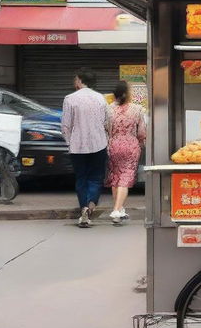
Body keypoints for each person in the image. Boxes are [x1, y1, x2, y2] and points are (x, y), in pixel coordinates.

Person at [61, 68, 109, 228]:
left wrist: (70, 142)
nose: (74, 82)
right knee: (95, 177)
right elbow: (107, 122)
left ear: (80, 80)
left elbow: (65, 126)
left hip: (77, 146)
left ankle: (83, 208)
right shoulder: (100, 99)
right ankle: (90, 206)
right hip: (99, 144)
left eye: (75, 79)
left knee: (81, 178)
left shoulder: (70, 99)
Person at [105, 80, 146, 225]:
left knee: (115, 177)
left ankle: (119, 209)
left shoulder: (108, 109)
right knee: (125, 178)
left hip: (113, 145)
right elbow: (141, 132)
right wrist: (141, 143)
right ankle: (116, 209)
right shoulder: (137, 109)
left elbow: (105, 129)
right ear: (128, 94)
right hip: (130, 145)